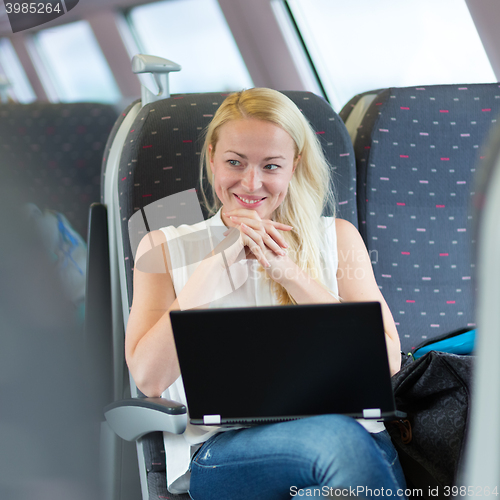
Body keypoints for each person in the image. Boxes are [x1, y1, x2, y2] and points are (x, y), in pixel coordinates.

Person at [125, 88, 406, 499]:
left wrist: (289, 273)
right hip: (230, 451)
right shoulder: (163, 247)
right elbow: (149, 379)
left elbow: (386, 362)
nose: (251, 183)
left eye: (270, 165)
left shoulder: (338, 239)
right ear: (211, 160)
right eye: (234, 163)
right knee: (334, 440)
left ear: (294, 167)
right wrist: (209, 275)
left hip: (358, 443)